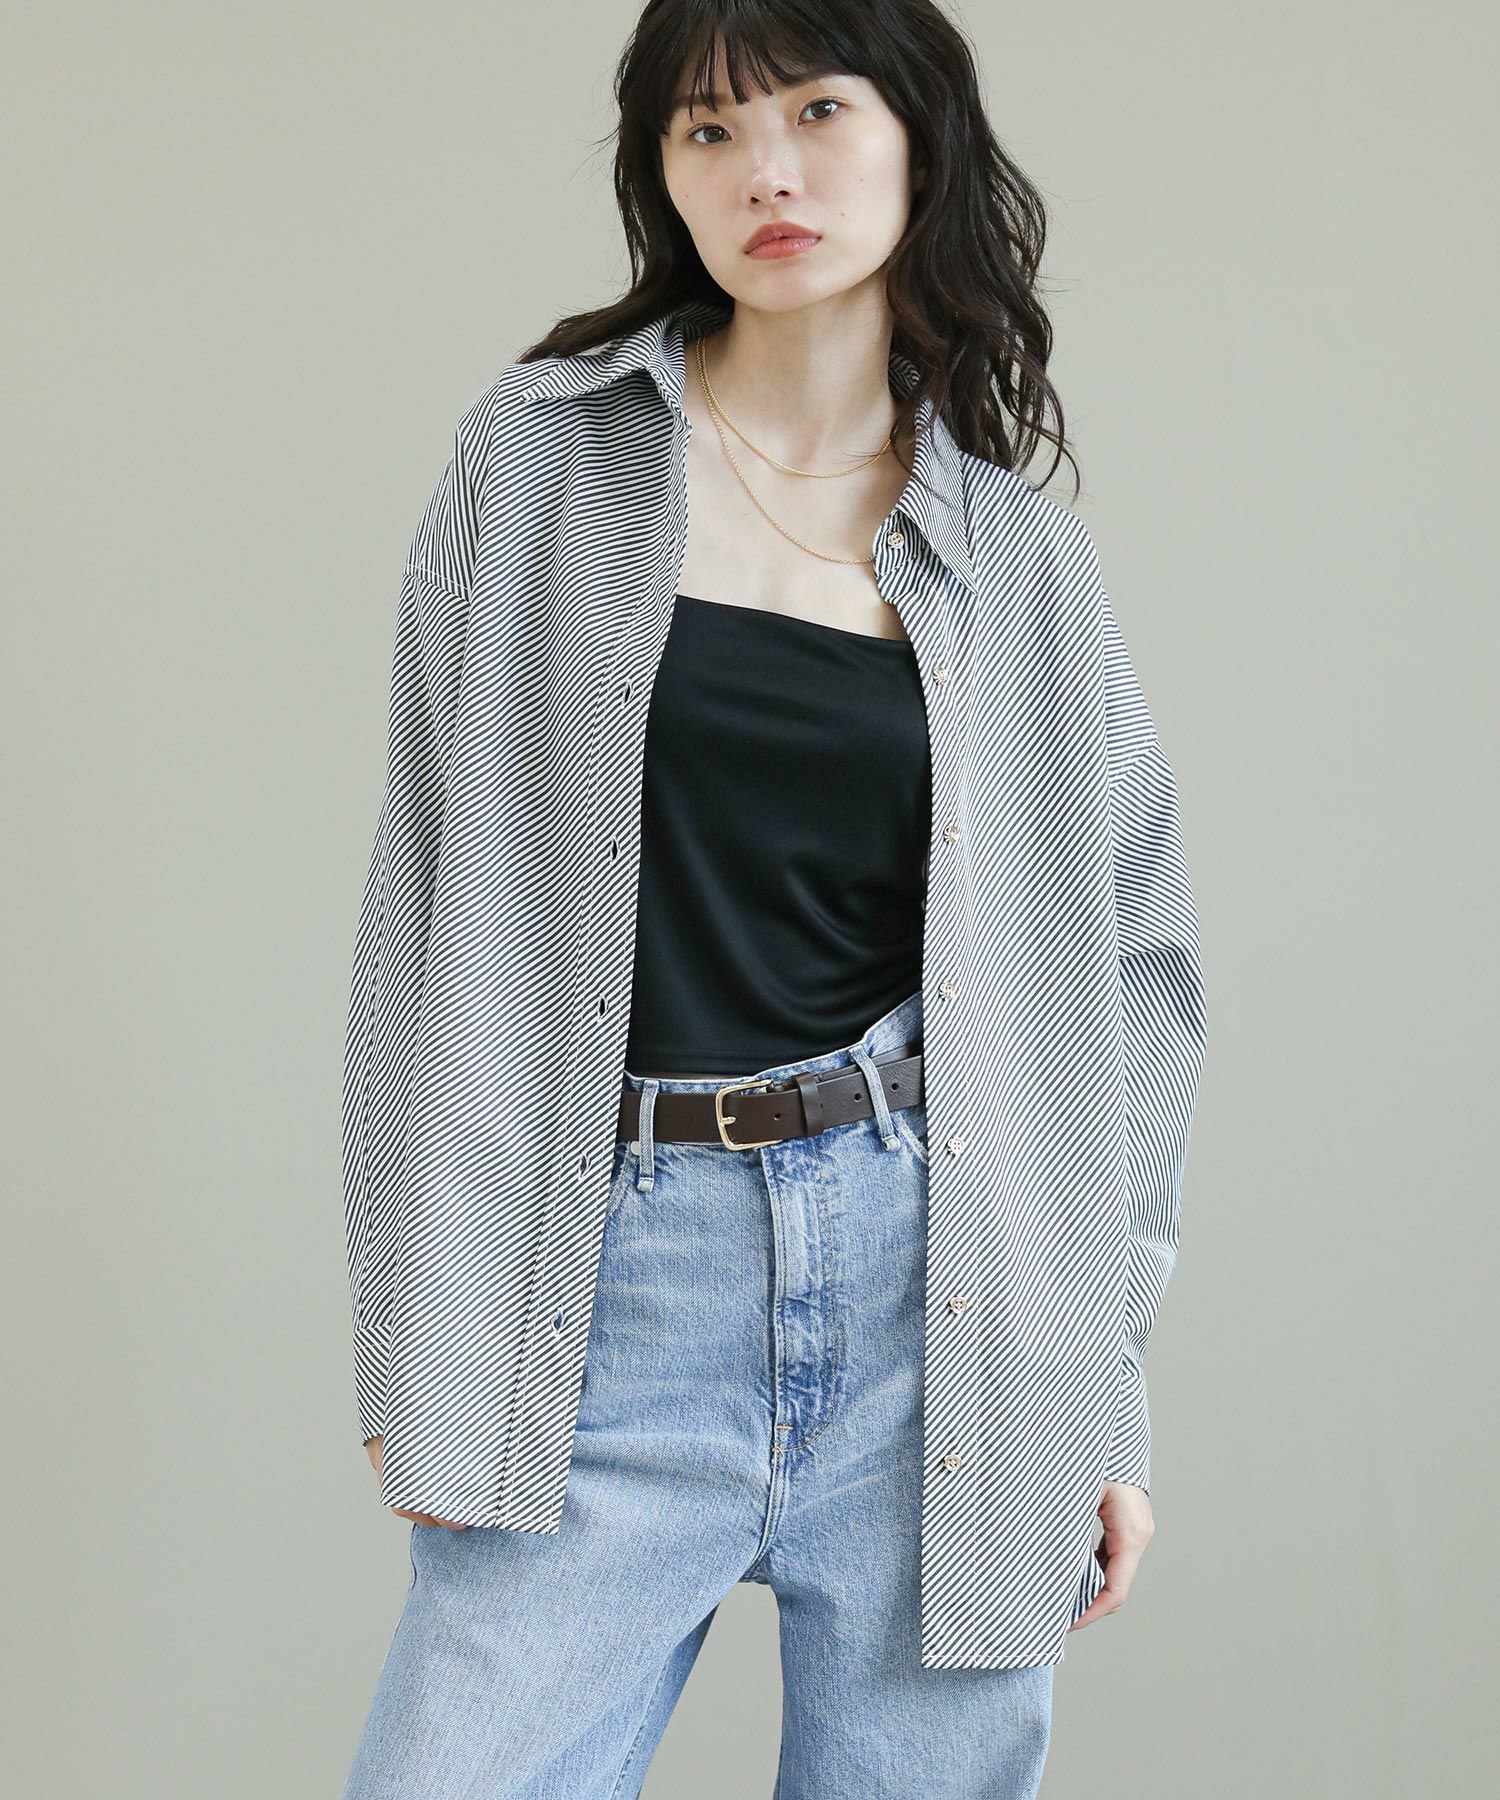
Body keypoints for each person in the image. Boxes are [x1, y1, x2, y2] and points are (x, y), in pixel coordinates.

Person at [338, 2, 1208, 1794]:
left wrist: (1103, 1389)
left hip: (941, 1304)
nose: (768, 173)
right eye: (709, 130)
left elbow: (1132, 983)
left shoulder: (1020, 562)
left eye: (816, 111)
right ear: (662, 175)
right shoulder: (541, 463)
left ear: (918, 138)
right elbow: (422, 900)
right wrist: (416, 1326)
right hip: (606, 1277)